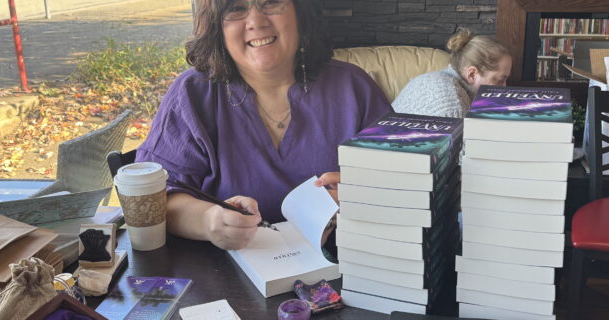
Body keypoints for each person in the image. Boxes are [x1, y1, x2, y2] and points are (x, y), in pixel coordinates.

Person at [136, 0, 391, 250]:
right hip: (227, 278)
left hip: (342, 271)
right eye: (236, 8)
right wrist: (208, 221)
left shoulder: (354, 87)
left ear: (299, 13)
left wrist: (362, 197)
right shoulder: (193, 94)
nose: (256, 21)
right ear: (217, 28)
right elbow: (151, 198)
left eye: (271, 3)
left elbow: (405, 187)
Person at [392, 28, 512, 118]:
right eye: (500, 79)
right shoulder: (453, 104)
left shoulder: (442, 78)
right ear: (472, 74)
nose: (504, 87)